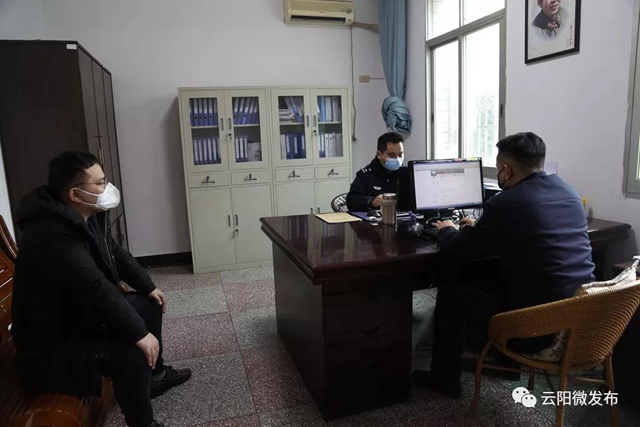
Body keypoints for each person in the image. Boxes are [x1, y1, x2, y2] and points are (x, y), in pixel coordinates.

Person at [12, 151, 192, 427]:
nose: (108, 188)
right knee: (132, 349)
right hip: (53, 344)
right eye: (100, 183)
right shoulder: (50, 234)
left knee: (148, 304)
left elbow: (115, 253)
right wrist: (139, 334)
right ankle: (143, 423)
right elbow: (94, 287)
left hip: (79, 318)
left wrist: (148, 286)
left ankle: (155, 378)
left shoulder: (87, 215)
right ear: (75, 194)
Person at [412, 132, 595, 398]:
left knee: (451, 295)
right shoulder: (569, 192)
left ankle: (444, 379)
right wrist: (481, 228)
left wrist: (447, 229)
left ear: (506, 170)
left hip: (535, 327)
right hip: (579, 317)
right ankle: (507, 366)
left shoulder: (507, 202)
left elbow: (459, 250)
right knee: (492, 279)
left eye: (498, 168)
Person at [346, 132, 407, 212]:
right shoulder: (366, 175)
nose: (397, 159)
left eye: (400, 154)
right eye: (391, 155)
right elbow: (352, 201)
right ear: (379, 154)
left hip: (404, 217)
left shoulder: (407, 173)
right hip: (375, 217)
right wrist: (371, 201)